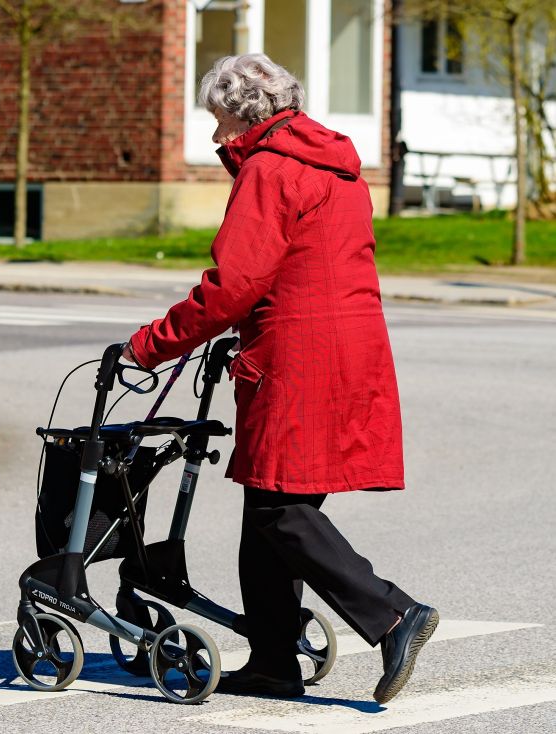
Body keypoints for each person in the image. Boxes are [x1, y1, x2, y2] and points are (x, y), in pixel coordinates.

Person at [122, 54, 437, 704]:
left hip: (299, 357)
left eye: (218, 119)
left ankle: (392, 614)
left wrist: (151, 345)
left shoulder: (270, 169)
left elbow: (235, 283)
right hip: (349, 346)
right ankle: (272, 660)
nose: (214, 137)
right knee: (265, 503)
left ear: (245, 112)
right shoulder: (334, 163)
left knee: (279, 508)